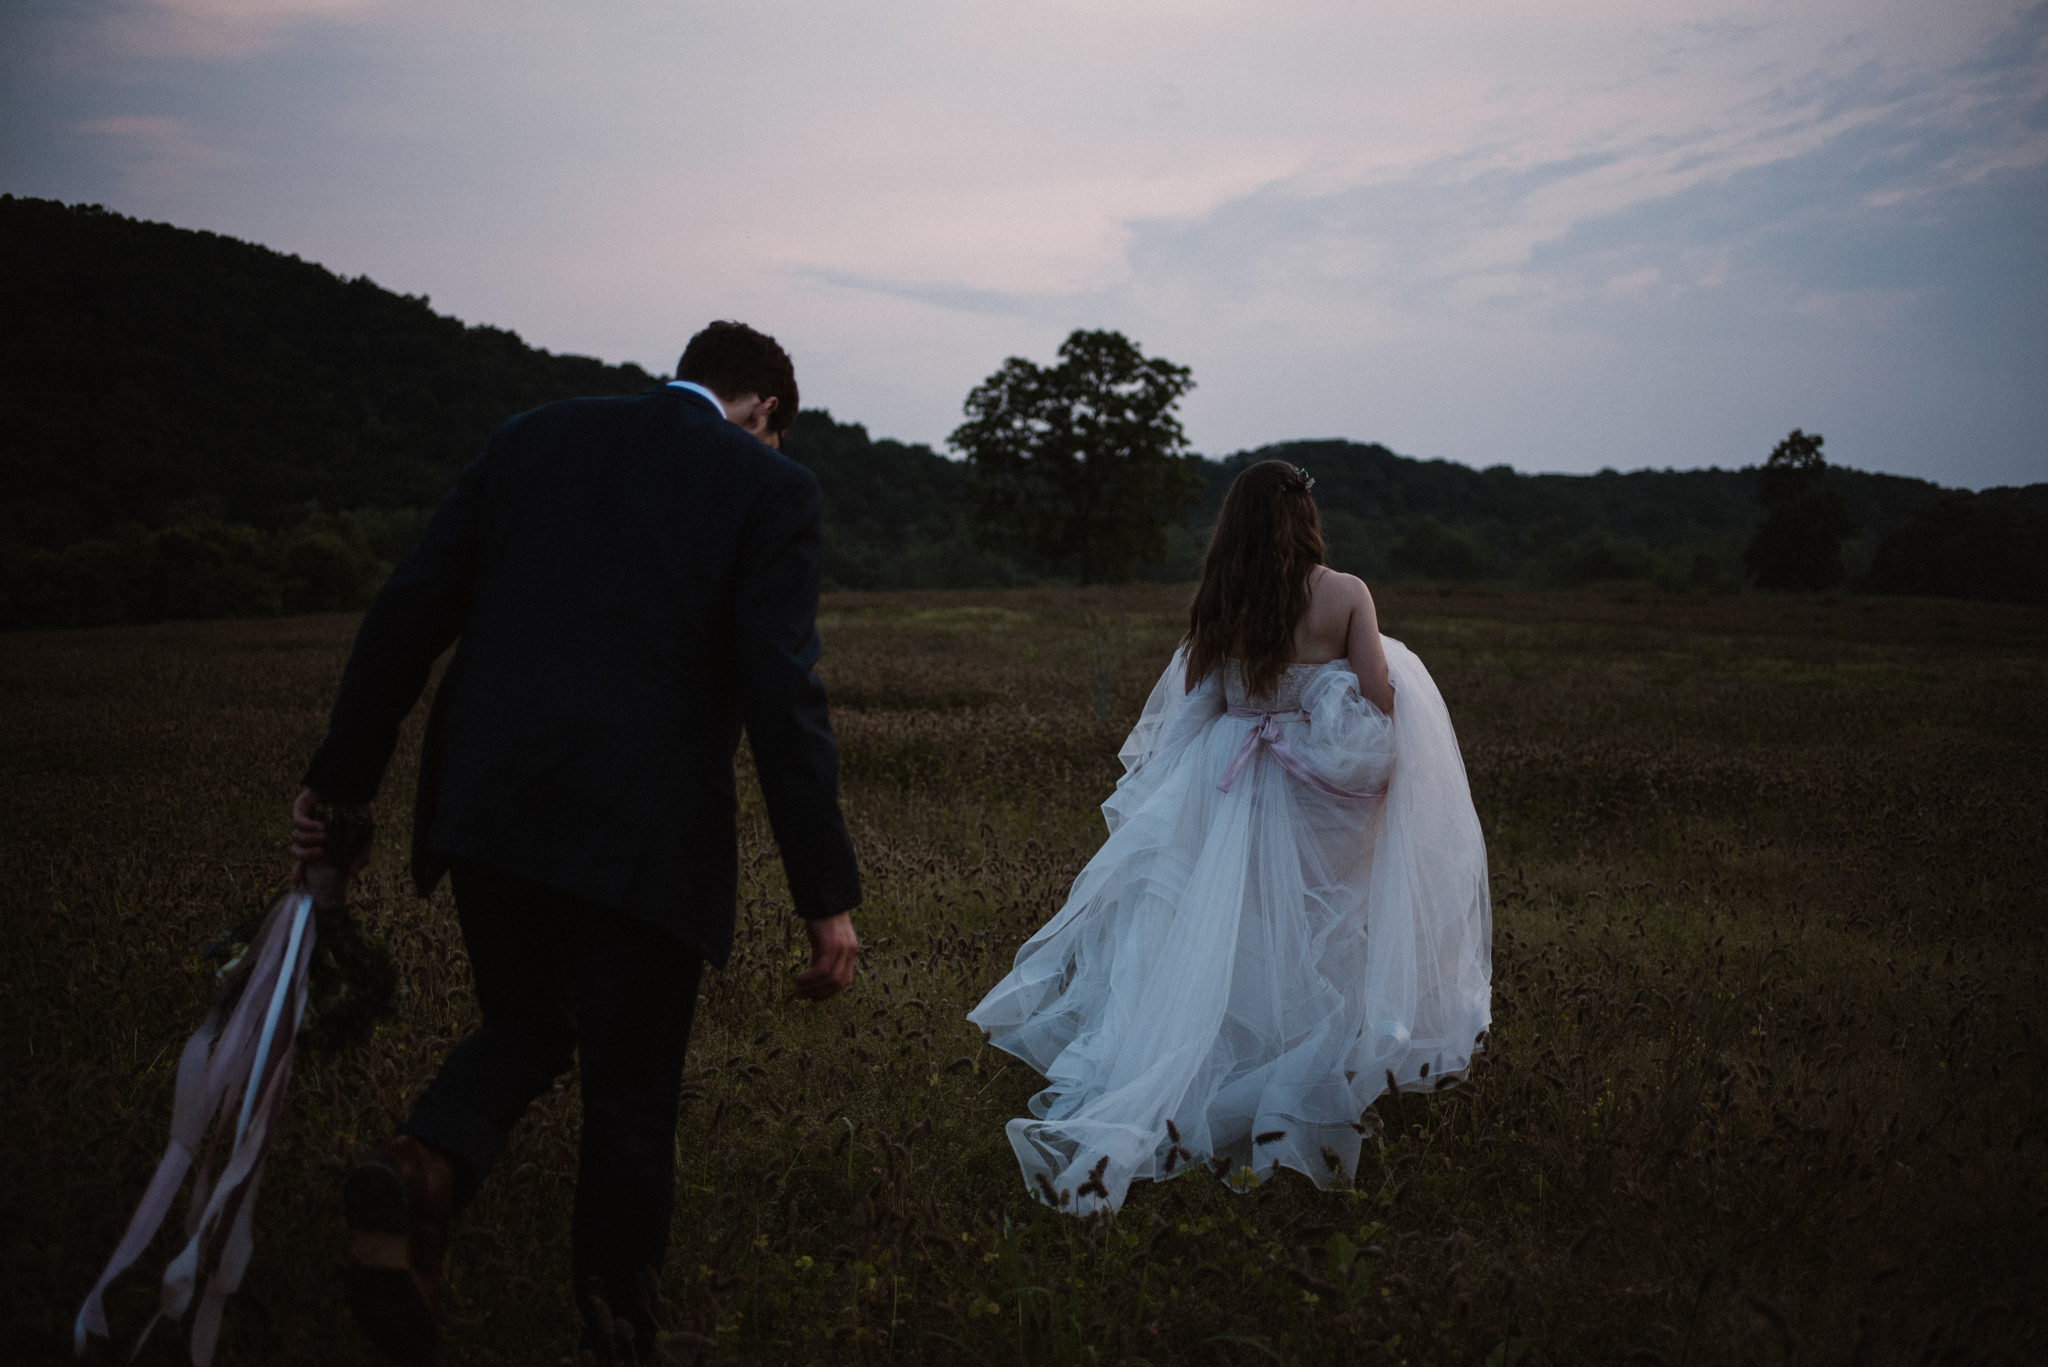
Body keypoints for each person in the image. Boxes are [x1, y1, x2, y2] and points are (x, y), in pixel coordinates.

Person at [289, 321, 862, 1365]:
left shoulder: (531, 437)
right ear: (766, 410)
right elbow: (783, 693)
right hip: (642, 830)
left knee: (524, 1018)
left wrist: (340, 787)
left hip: (489, 803)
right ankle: (613, 1327)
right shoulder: (767, 486)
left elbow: (409, 607)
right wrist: (823, 893)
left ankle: (421, 1168)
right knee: (631, 1089)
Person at [967, 459, 1491, 1215]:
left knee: (1230, 941)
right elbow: (1380, 699)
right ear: (1305, 514)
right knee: (1318, 935)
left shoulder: (1222, 596)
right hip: (1313, 795)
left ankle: (1215, 1088)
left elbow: (1200, 704)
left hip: (1228, 789)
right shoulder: (1345, 594)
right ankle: (1287, 1097)